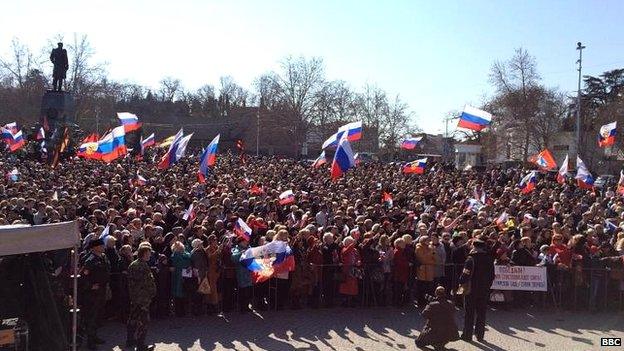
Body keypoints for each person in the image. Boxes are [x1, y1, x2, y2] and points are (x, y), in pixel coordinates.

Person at [460, 239, 495, 343]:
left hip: (471, 289)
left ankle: (467, 335)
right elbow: (492, 275)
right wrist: (488, 286)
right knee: (481, 313)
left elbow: (465, 274)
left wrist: (461, 282)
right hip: (484, 289)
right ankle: (480, 335)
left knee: (469, 313)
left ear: (474, 247)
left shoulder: (471, 259)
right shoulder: (489, 259)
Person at [81, 238, 110, 350]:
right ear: (95, 247)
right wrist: (90, 286)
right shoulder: (90, 260)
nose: (103, 247)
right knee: (91, 316)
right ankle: (90, 341)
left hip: (101, 290)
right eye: (101, 245)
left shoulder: (102, 257)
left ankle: (94, 336)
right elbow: (82, 276)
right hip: (92, 292)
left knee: (97, 315)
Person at [126, 245, 157, 351]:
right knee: (143, 322)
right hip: (143, 298)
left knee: (133, 319)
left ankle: (130, 340)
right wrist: (152, 293)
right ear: (144, 254)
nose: (150, 255)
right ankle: (141, 345)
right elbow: (147, 283)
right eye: (148, 253)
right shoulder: (143, 266)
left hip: (134, 297)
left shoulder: (133, 264)